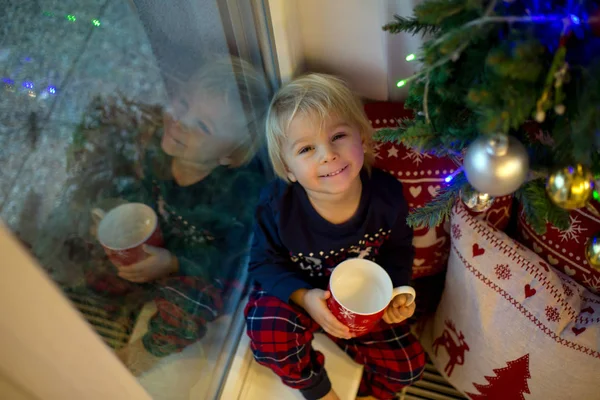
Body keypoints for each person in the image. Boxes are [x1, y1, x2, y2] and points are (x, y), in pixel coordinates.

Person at [81, 56, 270, 375]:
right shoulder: (161, 149)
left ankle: (138, 357)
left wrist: (173, 263)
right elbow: (140, 189)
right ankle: (104, 313)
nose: (179, 120)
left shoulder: (235, 193)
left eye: (202, 126)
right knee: (94, 262)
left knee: (190, 304)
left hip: (200, 273)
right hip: (155, 250)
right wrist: (116, 215)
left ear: (230, 154)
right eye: (183, 105)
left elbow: (231, 260)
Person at [245, 74, 426, 400]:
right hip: (302, 295)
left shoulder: (387, 194)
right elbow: (262, 262)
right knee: (268, 333)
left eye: (338, 135)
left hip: (359, 303)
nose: (327, 154)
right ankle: (317, 389)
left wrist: (400, 290)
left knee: (409, 367)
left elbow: (399, 249)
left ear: (363, 140)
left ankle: (365, 392)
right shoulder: (276, 206)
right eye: (306, 149)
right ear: (288, 169)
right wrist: (304, 298)